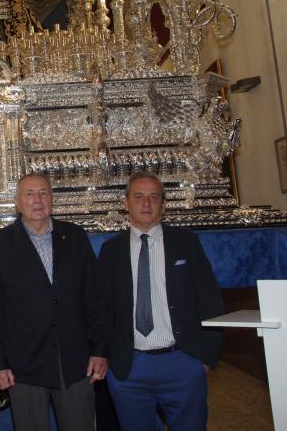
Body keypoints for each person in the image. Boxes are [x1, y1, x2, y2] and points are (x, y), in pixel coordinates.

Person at [0, 173, 108, 431]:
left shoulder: (75, 237)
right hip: (24, 366)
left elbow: (95, 298)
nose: (37, 200)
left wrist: (100, 350)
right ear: (17, 203)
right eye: (29, 194)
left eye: (43, 193)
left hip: (75, 362)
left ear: (52, 199)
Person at [98, 171, 226, 431]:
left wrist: (204, 356)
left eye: (154, 197)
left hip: (182, 361)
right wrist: (107, 357)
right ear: (126, 203)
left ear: (163, 205)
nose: (146, 204)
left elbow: (210, 299)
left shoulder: (186, 243)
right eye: (139, 197)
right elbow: (101, 308)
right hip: (129, 366)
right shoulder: (111, 251)